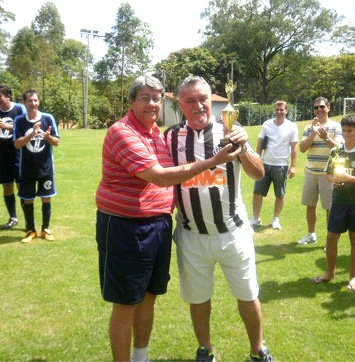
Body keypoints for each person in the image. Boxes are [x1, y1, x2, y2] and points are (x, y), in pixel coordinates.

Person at [95, 75, 239, 362]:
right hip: (126, 227)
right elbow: (159, 177)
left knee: (149, 296)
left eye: (156, 98)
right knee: (126, 303)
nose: (152, 104)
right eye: (144, 98)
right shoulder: (123, 132)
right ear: (132, 101)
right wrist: (213, 161)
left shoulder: (157, 134)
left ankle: (141, 357)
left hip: (159, 225)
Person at [165, 76, 274, 362]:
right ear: (180, 104)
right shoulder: (171, 137)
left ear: (211, 100)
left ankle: (257, 349)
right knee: (198, 298)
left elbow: (258, 173)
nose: (198, 105)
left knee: (248, 294)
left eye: (203, 99)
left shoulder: (230, 131)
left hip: (232, 233)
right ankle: (205, 349)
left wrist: (244, 146)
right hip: (192, 235)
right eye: (190, 100)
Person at [312, 115, 355, 291]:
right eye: (344, 131)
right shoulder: (336, 151)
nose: (346, 134)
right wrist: (334, 180)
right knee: (331, 237)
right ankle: (329, 273)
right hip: (338, 200)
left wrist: (349, 178)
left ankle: (353, 277)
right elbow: (329, 173)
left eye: (350, 131)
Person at [13, 90, 60, 243]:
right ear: (24, 103)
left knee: (46, 198)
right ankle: (30, 230)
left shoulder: (48, 118)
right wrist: (32, 134)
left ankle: (45, 229)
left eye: (35, 100)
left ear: (38, 102)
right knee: (28, 199)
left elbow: (57, 142)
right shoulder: (19, 121)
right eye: (30, 101)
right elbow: (17, 144)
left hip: (45, 168)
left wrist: (47, 136)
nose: (33, 103)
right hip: (27, 168)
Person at [297, 97, 343, 245]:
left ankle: (330, 240)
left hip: (328, 174)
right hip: (311, 172)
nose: (319, 110)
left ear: (328, 108)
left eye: (322, 107)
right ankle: (311, 234)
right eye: (316, 107)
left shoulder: (336, 127)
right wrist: (313, 132)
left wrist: (325, 137)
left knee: (330, 208)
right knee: (310, 205)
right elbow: (302, 148)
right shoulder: (308, 127)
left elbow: (339, 149)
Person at [250, 100, 298, 230]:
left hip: (281, 166)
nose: (279, 112)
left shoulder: (292, 126)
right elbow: (259, 143)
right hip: (264, 164)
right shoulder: (267, 124)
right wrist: (257, 161)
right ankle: (255, 219)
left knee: (280, 194)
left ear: (286, 111)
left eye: (282, 109)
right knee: (257, 192)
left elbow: (294, 148)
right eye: (277, 109)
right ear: (274, 110)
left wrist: (293, 166)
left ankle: (275, 219)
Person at [0, 85, 26, 229]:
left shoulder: (19, 109)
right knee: (7, 187)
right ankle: (13, 218)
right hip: (3, 154)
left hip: (19, 154)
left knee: (22, 187)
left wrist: (7, 126)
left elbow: (26, 129)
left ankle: (28, 221)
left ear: (8, 96)